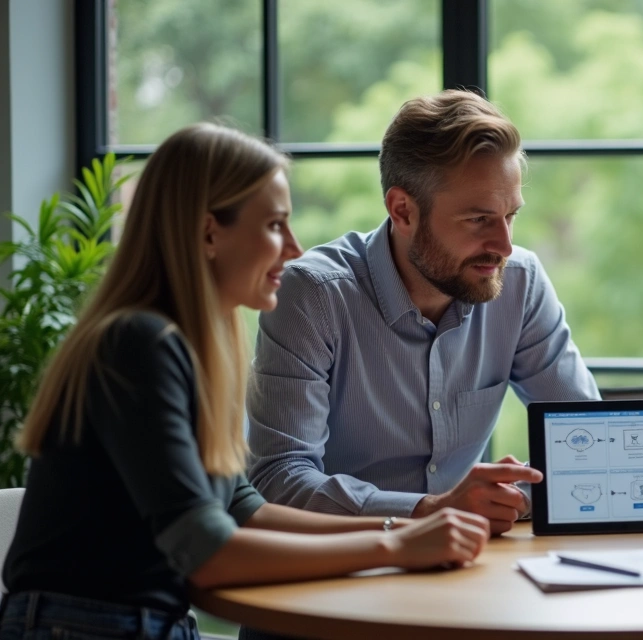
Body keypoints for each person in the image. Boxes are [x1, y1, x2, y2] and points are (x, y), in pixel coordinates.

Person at [0, 123, 491, 640]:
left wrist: (411, 526)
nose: (294, 249)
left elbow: (245, 510)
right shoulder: (139, 344)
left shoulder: (183, 345)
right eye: (276, 225)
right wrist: (395, 546)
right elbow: (206, 552)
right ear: (209, 233)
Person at [246, 90, 599, 536]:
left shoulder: (520, 282)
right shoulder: (313, 296)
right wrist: (429, 510)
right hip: (345, 562)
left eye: (510, 216)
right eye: (478, 220)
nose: (504, 246)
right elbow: (279, 479)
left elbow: (588, 441)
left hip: (467, 556)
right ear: (403, 211)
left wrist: (506, 498)